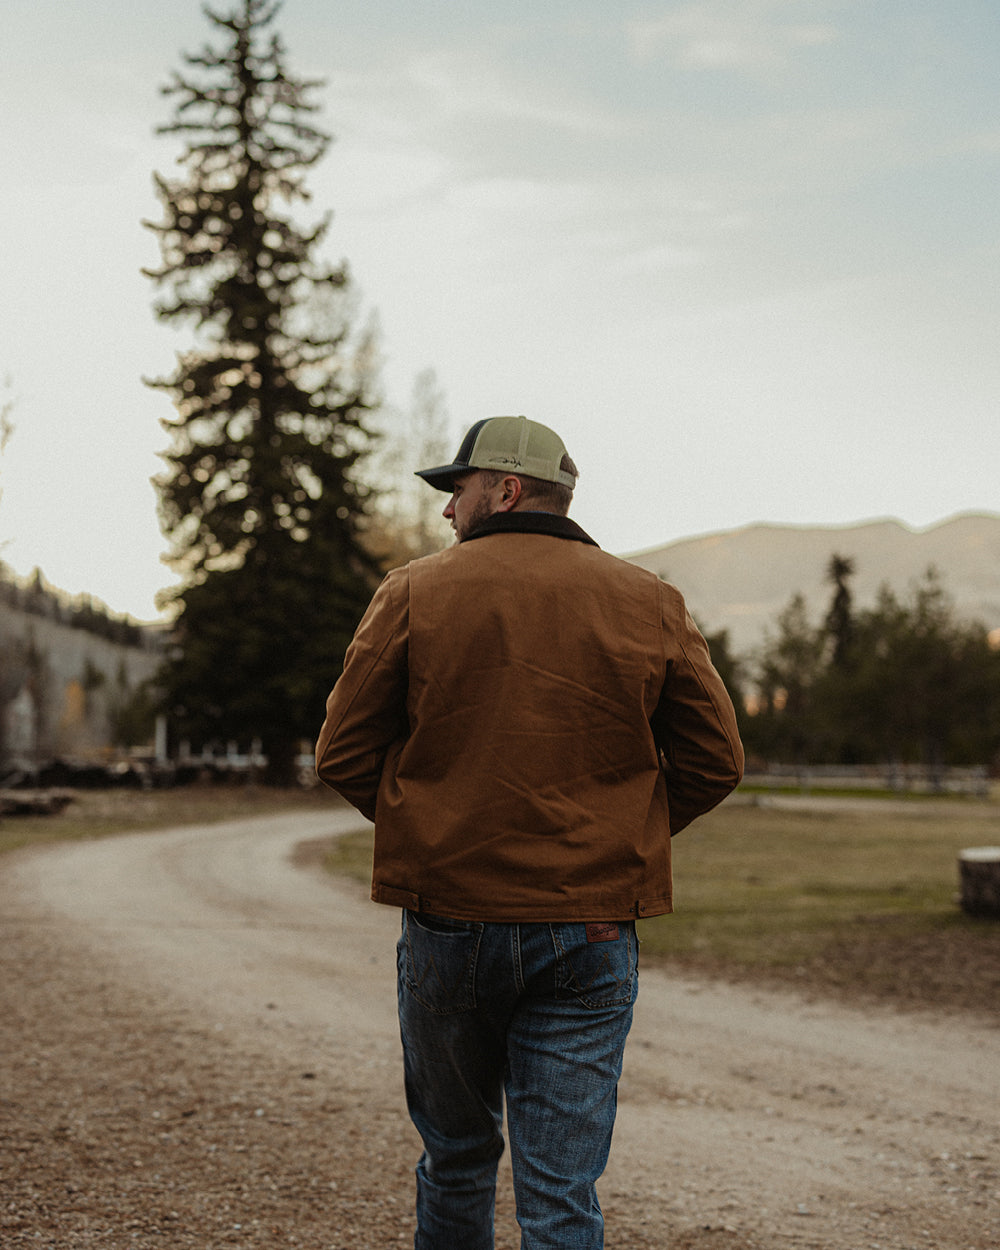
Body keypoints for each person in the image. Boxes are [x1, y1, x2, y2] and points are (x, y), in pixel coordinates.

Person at [315, 415, 744, 1250]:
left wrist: (434, 827)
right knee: (560, 1190)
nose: (447, 511)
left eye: (458, 490)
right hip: (589, 924)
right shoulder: (648, 599)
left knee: (457, 1158)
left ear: (505, 489)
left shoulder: (411, 592)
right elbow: (717, 758)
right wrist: (623, 836)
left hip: (451, 918)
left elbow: (340, 751)